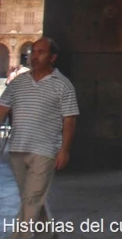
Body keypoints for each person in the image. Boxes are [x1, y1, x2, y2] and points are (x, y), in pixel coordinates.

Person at [0, 36, 79, 236]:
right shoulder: (18, 83)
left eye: (40, 52)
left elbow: (69, 120)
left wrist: (64, 150)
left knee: (32, 198)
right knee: (31, 198)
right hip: (18, 148)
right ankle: (48, 234)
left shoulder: (63, 85)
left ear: (52, 57)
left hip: (45, 150)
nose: (34, 56)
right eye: (33, 52)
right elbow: (2, 109)